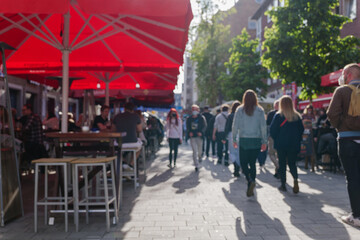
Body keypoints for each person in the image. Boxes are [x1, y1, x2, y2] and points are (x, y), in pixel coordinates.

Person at [327, 63, 360, 227]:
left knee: (352, 178)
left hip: (346, 140)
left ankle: (356, 216)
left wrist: (342, 125)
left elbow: (331, 114)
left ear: (347, 75)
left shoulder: (341, 91)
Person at [232, 90, 267, 197]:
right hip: (256, 140)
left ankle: (249, 180)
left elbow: (235, 125)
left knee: (243, 163)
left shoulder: (240, 110)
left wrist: (234, 139)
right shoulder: (260, 110)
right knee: (252, 163)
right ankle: (251, 181)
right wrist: (264, 141)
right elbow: (263, 127)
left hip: (244, 140)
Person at [270, 96, 304, 193]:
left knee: (282, 163)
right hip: (293, 144)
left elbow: (273, 130)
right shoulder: (297, 116)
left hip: (281, 144)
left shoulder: (278, 116)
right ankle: (295, 179)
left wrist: (276, 139)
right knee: (292, 163)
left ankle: (283, 184)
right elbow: (301, 130)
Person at [112, 102, 143, 167]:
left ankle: (124, 162)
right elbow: (140, 130)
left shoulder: (117, 116)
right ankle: (131, 164)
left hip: (119, 143)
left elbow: (113, 130)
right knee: (139, 148)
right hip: (133, 143)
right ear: (133, 109)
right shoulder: (136, 116)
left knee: (115, 150)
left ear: (124, 108)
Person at [186, 104, 206, 172]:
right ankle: (196, 165)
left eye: (195, 109)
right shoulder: (189, 119)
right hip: (193, 137)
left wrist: (201, 132)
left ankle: (200, 157)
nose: (194, 111)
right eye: (193, 109)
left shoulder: (201, 118)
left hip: (199, 136)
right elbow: (187, 127)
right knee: (194, 151)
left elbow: (204, 127)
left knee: (199, 151)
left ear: (198, 110)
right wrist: (189, 132)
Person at [224, 100, 241, 177]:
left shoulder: (230, 116)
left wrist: (224, 137)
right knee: (239, 152)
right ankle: (238, 167)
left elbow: (227, 127)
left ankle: (235, 166)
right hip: (241, 134)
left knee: (232, 152)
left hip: (232, 134)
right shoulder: (242, 115)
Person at [267, 100, 280, 178]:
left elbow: (268, 125)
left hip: (272, 136)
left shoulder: (271, 114)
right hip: (281, 137)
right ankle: (277, 171)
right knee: (278, 155)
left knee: (271, 153)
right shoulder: (284, 113)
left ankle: (278, 167)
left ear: (275, 106)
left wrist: (268, 135)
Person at [302, 104, 317, 171]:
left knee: (311, 150)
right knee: (305, 149)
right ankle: (306, 165)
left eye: (311, 110)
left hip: (310, 134)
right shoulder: (303, 116)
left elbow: (314, 126)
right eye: (308, 110)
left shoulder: (313, 117)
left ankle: (312, 167)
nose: (309, 111)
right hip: (304, 134)